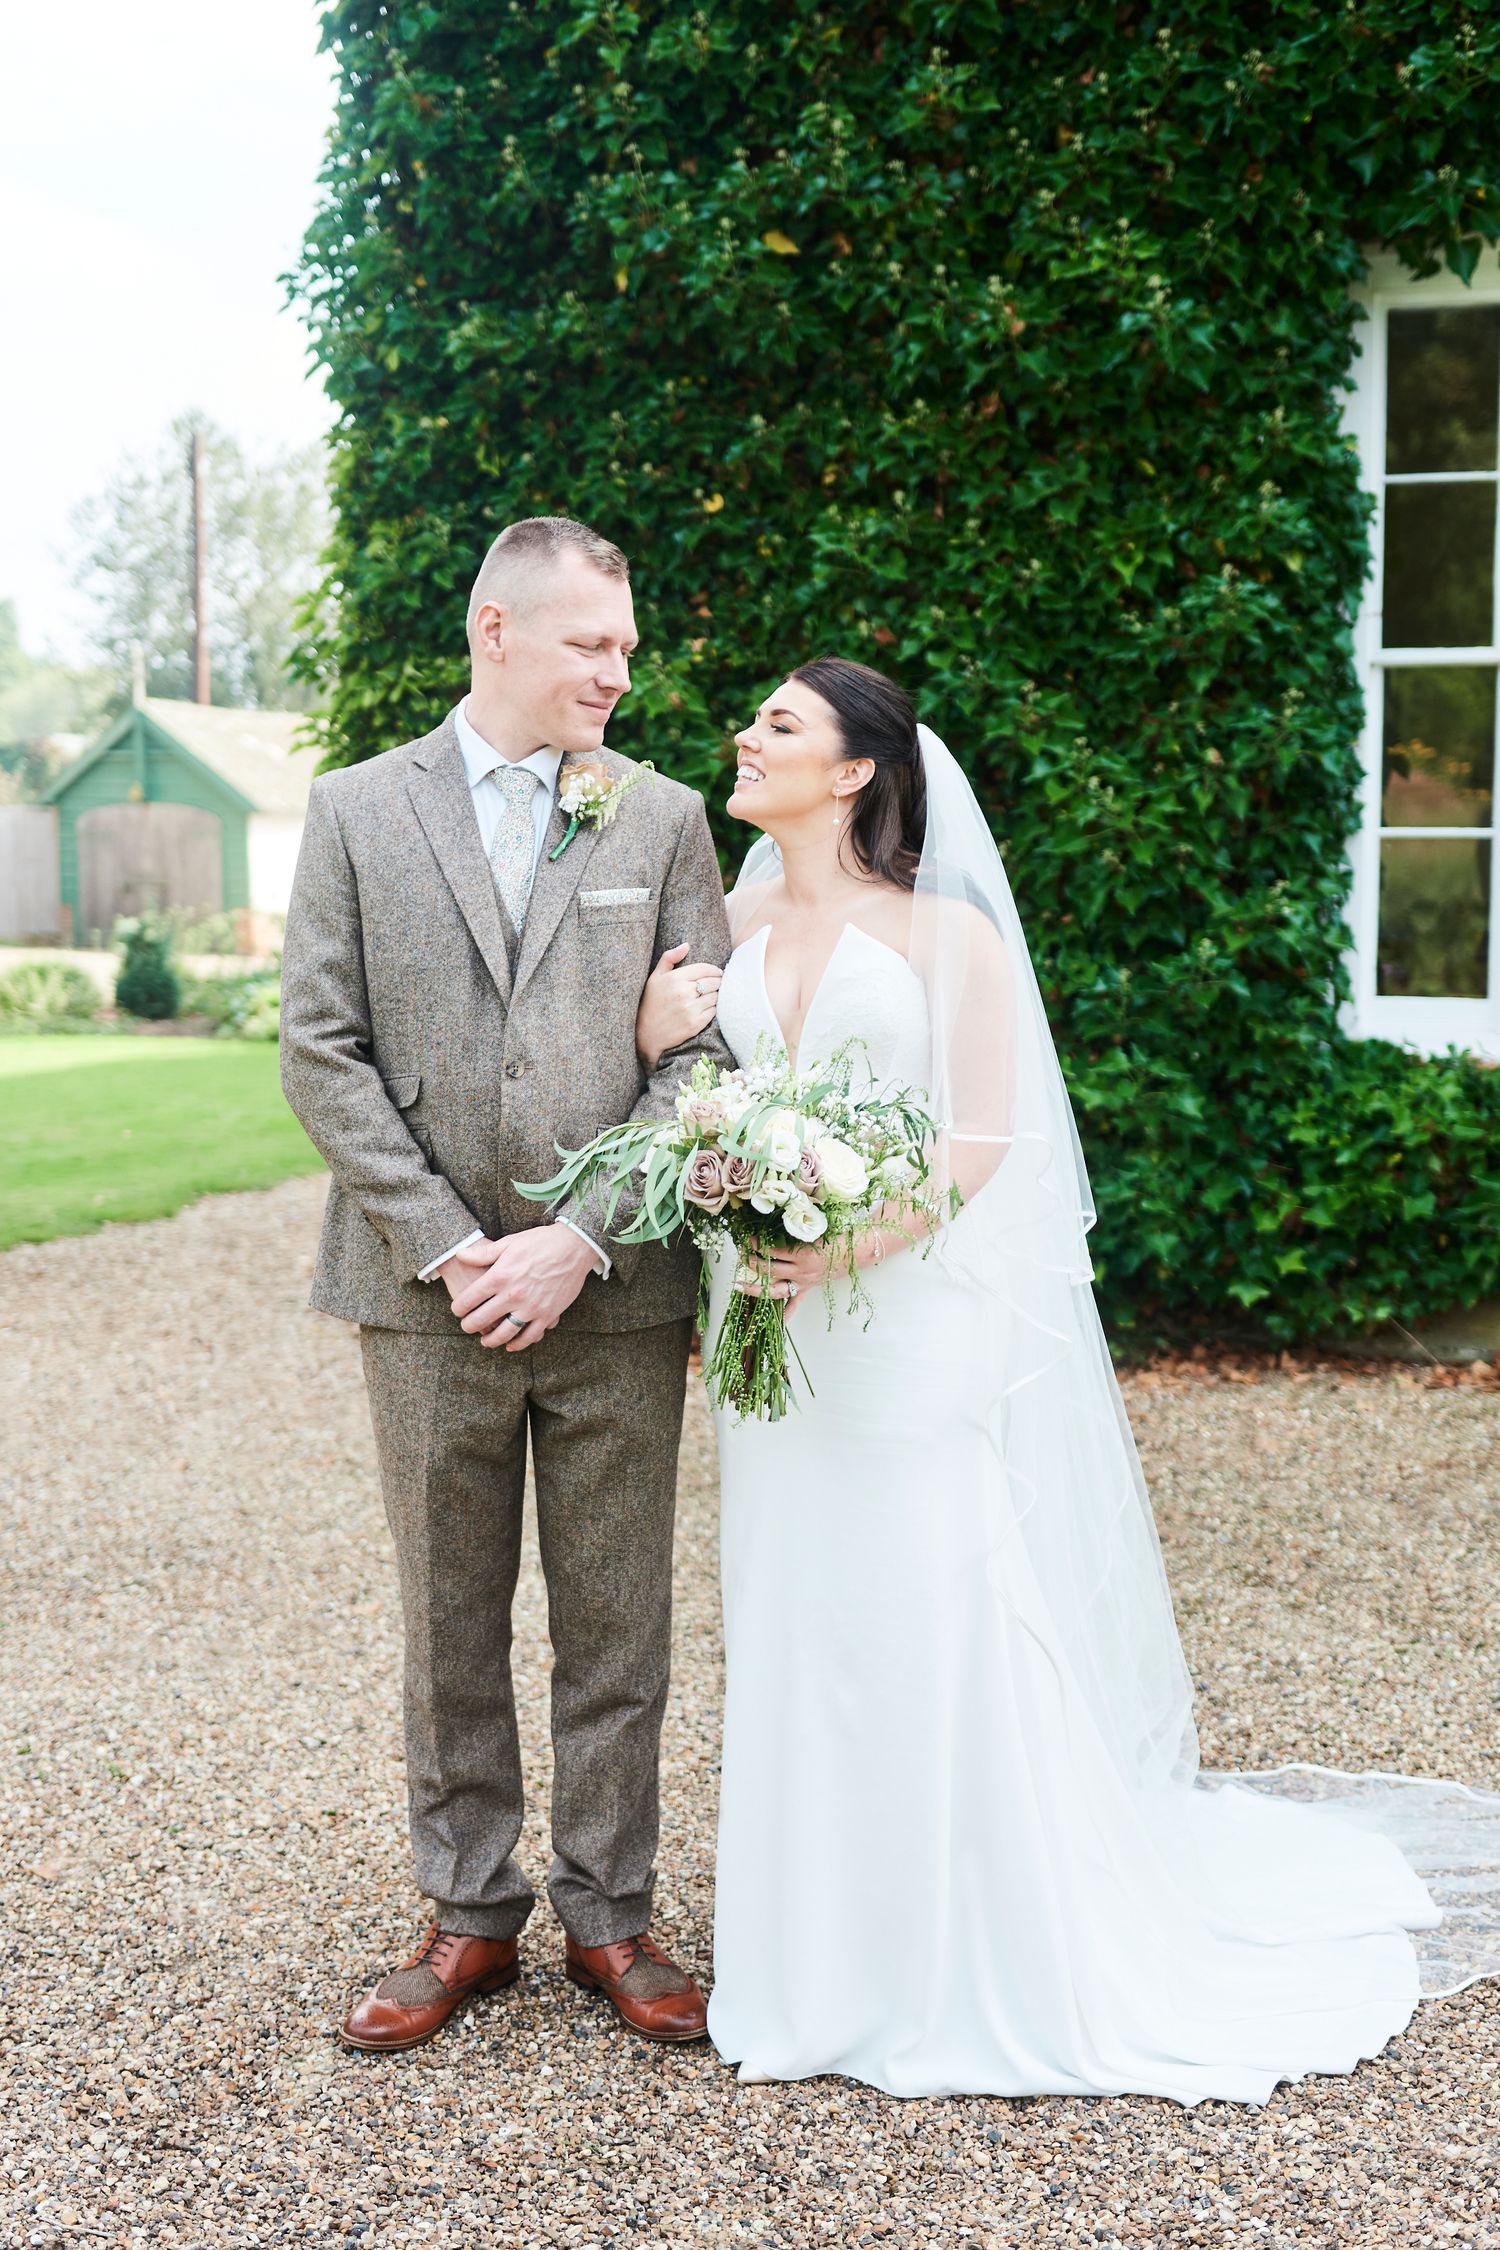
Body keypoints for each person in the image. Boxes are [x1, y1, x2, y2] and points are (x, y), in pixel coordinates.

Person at [635, 654, 1500, 2104]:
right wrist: (667, 1046)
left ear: (853, 769)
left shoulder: (945, 934)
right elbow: (686, 1093)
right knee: (794, 1610)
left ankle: (983, 1944)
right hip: (766, 1333)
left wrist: (853, 1248)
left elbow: (986, 1141)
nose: (746, 735)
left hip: (899, 1322)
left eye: (778, 724)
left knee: (926, 1603)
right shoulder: (727, 915)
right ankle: (818, 1957)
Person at [279, 516, 732, 2054]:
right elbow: (319, 1052)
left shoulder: (660, 817)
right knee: (447, 1617)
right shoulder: (353, 811)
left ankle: (613, 1910)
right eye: (589, 643)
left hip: (616, 1297)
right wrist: (459, 1244)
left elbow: (702, 1069)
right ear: (494, 632)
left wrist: (577, 1236)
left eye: (625, 643)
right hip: (426, 1298)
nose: (620, 668)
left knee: (618, 1623)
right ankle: (467, 1911)